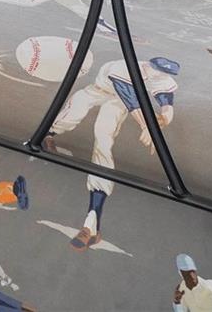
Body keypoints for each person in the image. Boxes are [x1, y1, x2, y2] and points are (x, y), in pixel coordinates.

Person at [43, 56, 180, 250]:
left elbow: (167, 103)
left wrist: (164, 119)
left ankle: (91, 223)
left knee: (103, 139)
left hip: (117, 103)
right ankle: (48, 134)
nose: (160, 75)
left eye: (164, 73)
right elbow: (131, 100)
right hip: (99, 90)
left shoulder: (160, 77)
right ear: (148, 65)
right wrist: (147, 126)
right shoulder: (124, 68)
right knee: (75, 108)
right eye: (157, 70)